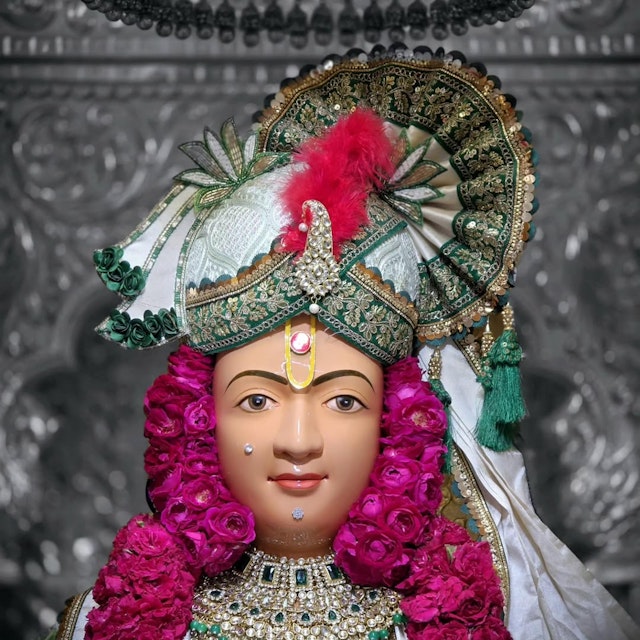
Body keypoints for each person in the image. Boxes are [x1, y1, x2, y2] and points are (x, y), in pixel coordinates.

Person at [52, 46, 639, 640]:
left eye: (343, 401)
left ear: (397, 423)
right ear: (198, 419)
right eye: (257, 400)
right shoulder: (103, 622)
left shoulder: (459, 615)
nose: (298, 442)